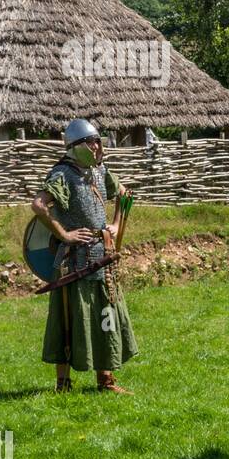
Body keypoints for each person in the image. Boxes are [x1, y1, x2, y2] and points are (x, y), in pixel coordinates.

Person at [30, 119, 138, 393]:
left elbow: (125, 195)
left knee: (106, 315)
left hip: (103, 257)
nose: (97, 146)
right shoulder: (62, 174)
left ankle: (106, 380)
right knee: (68, 320)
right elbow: (39, 205)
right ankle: (63, 383)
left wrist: (116, 225)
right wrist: (64, 235)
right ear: (74, 146)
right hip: (72, 262)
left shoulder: (101, 172)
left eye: (98, 140)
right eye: (91, 141)